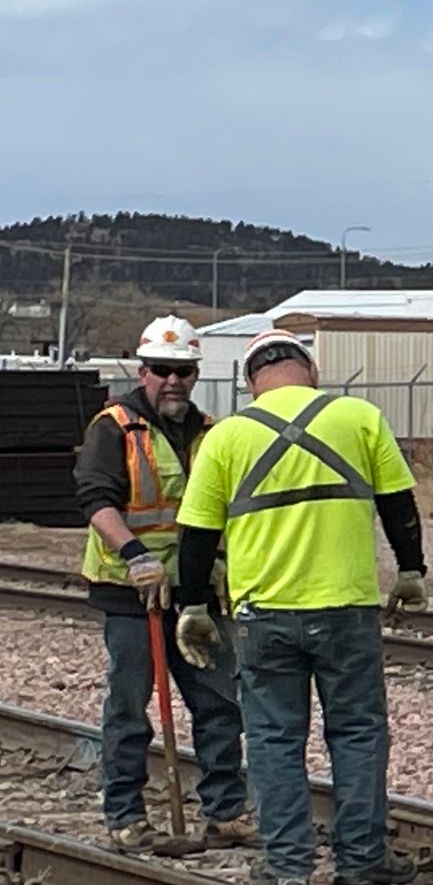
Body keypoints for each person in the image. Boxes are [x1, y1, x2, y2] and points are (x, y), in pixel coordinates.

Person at [172, 329, 430, 885]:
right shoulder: (359, 417)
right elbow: (398, 505)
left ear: (249, 383)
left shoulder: (226, 436)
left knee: (272, 738)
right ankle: (362, 858)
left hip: (264, 614)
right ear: (309, 371)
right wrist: (412, 570)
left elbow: (195, 534)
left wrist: (192, 604)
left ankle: (287, 866)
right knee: (359, 732)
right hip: (347, 609)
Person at [73, 315, 257, 853]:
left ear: (196, 373)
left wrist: (219, 563)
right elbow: (96, 501)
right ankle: (125, 815)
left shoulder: (211, 431)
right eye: (161, 369)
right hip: (131, 591)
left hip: (195, 591)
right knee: (130, 707)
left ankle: (225, 812)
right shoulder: (113, 428)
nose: (172, 380)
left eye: (183, 370)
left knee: (219, 701)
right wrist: (134, 555)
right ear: (143, 370)